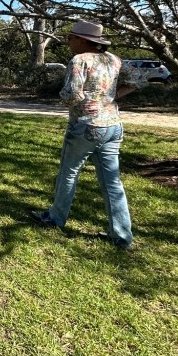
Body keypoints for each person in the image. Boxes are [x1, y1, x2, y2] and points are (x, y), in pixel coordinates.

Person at [29, 20, 140, 250]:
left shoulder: (80, 60)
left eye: (71, 37)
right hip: (113, 125)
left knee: (68, 172)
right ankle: (121, 236)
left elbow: (72, 95)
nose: (68, 41)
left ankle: (55, 218)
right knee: (112, 182)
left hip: (85, 126)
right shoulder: (114, 59)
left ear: (82, 40)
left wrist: (68, 98)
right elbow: (138, 80)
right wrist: (111, 97)